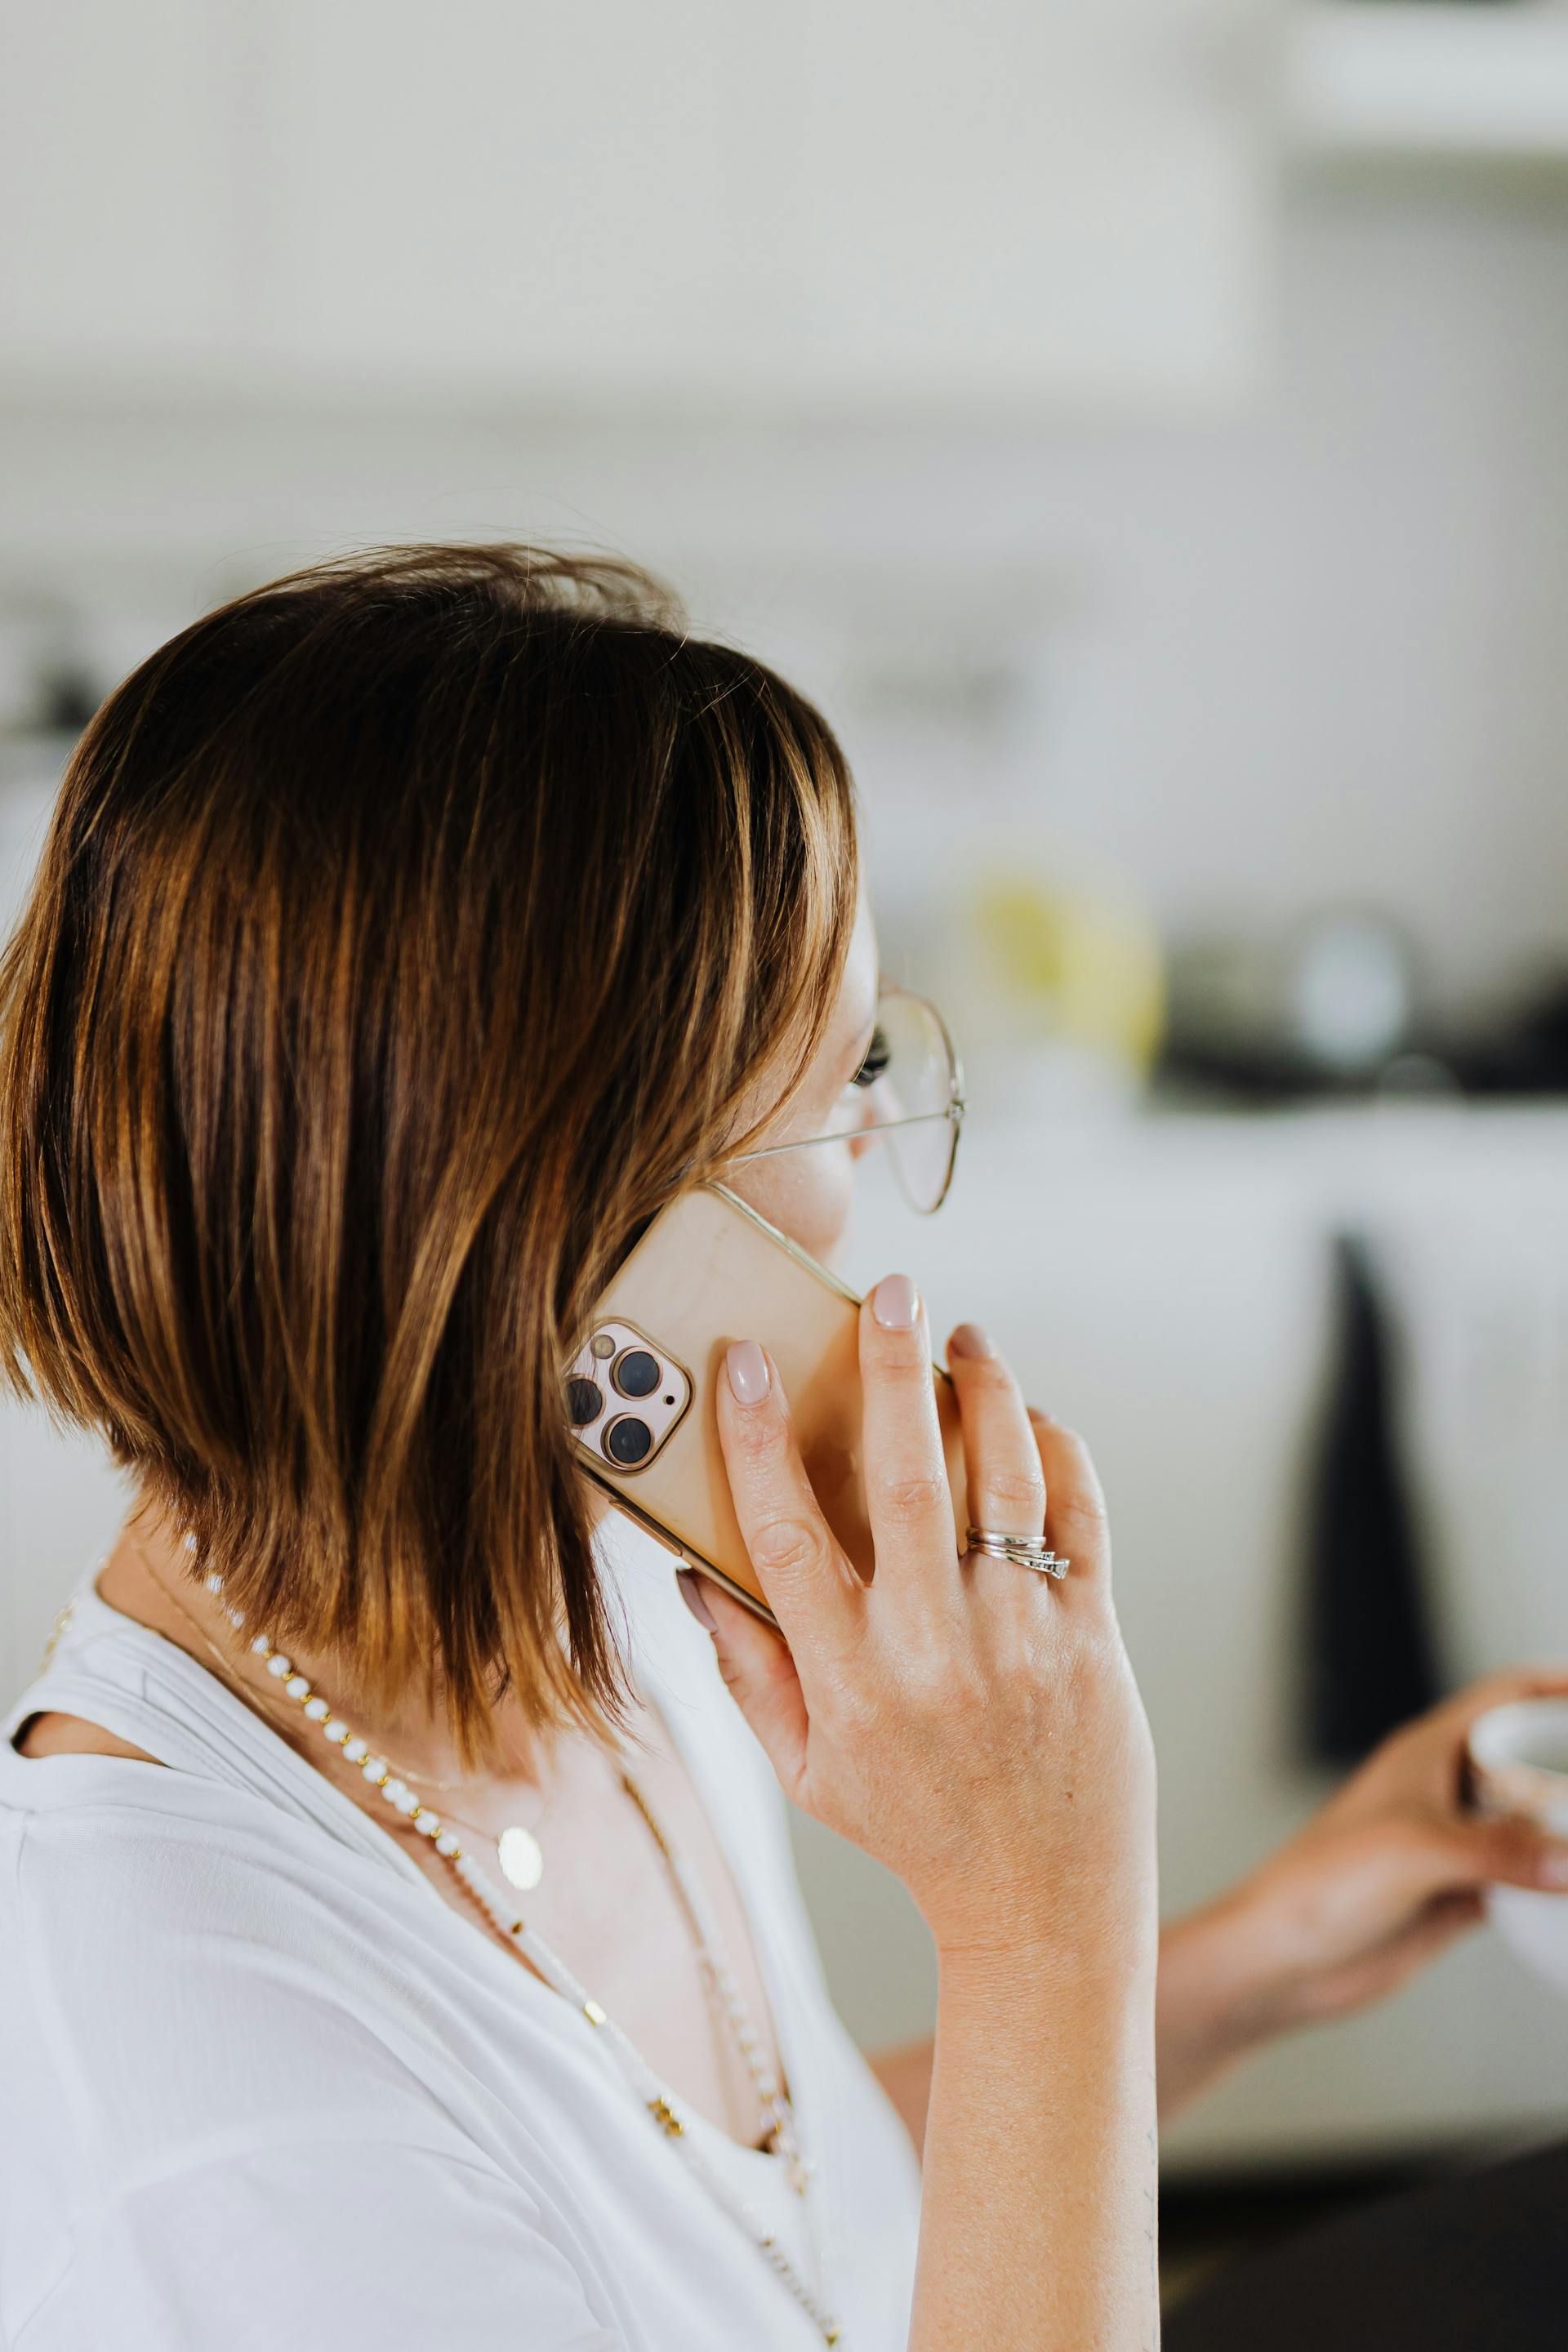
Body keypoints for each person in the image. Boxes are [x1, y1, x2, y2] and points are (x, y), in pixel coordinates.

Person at [0, 546, 1562, 2352]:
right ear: (568, 1242)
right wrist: (1043, 1907)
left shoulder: (601, 1600)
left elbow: (758, 2249)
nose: (860, 1183)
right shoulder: (224, 2131)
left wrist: (1248, 1958)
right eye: (840, 1087)